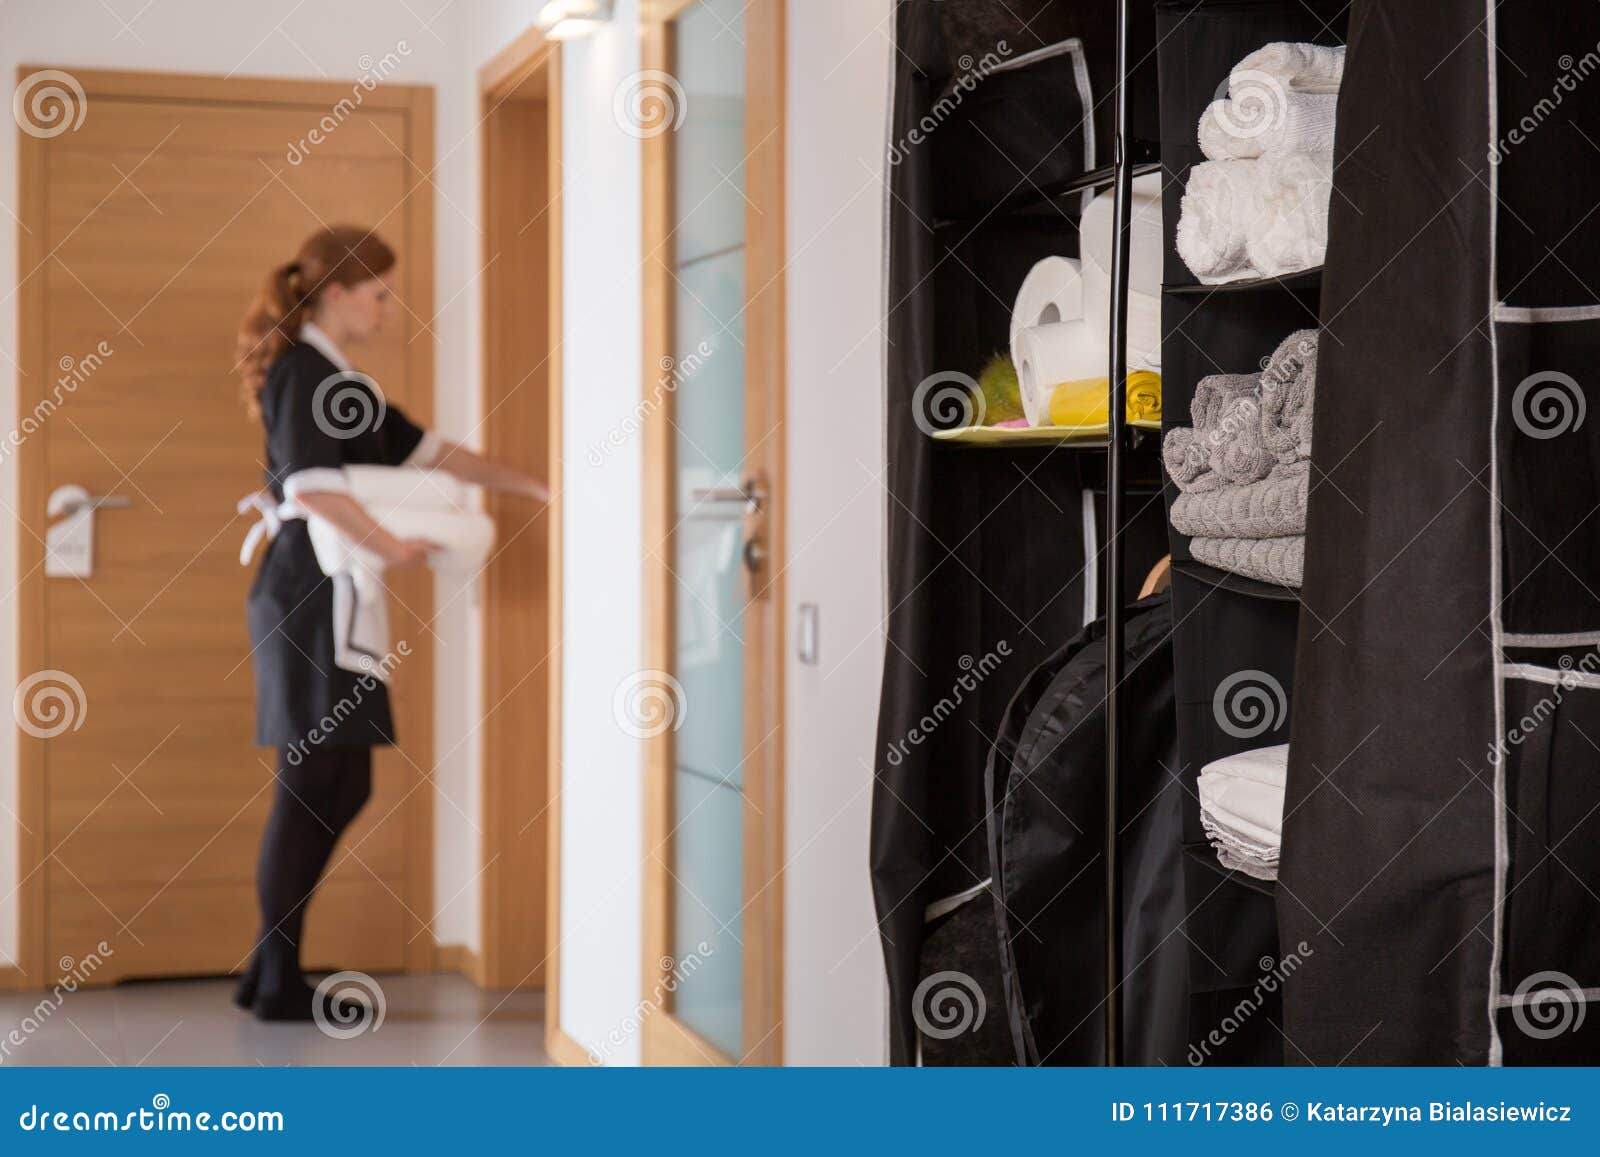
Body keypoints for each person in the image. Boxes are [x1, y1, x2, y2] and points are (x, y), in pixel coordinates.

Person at [231, 225, 548, 1020]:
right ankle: (275, 976)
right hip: (309, 590)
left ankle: (271, 962)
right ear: (337, 292)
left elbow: (432, 452)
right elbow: (310, 485)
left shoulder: (341, 378)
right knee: (312, 779)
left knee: (341, 777)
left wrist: (536, 485)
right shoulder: (304, 369)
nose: (387, 307)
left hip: (329, 589)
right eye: (378, 292)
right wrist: (393, 543)